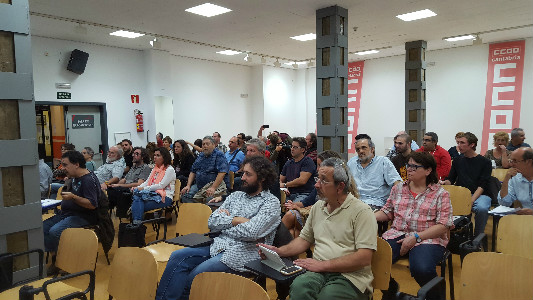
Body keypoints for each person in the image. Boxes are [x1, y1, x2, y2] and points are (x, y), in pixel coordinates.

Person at [155, 156, 281, 300]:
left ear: (262, 178)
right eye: (243, 173)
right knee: (177, 258)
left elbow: (252, 232)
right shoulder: (236, 196)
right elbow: (212, 221)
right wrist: (237, 220)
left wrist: (226, 223)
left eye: (248, 174)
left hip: (244, 253)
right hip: (219, 244)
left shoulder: (271, 203)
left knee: (197, 274)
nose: (242, 177)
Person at [259, 157, 377, 300]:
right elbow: (303, 240)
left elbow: (364, 258)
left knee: (327, 296)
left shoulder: (362, 212)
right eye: (317, 178)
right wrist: (278, 252)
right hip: (319, 272)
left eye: (323, 180)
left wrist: (323, 265)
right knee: (298, 288)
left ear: (340, 186)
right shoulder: (318, 207)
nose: (316, 185)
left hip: (351, 276)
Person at [375, 152, 453, 300]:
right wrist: (369, 217)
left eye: (414, 167)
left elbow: (444, 225)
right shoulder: (398, 189)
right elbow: (387, 212)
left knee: (421, 269)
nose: (409, 169)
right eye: (408, 165)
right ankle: (390, 289)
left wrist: (416, 237)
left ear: (428, 171)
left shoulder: (440, 194)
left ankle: (435, 297)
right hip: (398, 233)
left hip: (427, 237)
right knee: (373, 259)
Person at [43, 151, 100, 270]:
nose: (63, 168)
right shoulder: (74, 177)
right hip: (68, 214)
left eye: (65, 165)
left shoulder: (88, 180)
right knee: (43, 227)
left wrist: (73, 197)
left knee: (55, 231)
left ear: (76, 164)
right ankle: (56, 259)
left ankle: (65, 262)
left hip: (84, 216)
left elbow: (92, 204)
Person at [441, 132, 492, 236]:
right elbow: (451, 179)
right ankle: (453, 235)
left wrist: (471, 200)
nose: (458, 145)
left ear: (472, 145)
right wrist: (443, 182)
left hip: (480, 195)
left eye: (462, 143)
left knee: (482, 208)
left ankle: (478, 237)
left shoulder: (485, 162)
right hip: (462, 194)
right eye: (458, 142)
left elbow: (483, 184)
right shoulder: (457, 160)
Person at [282, 150, 341, 239]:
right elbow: (306, 202)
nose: (317, 169)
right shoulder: (319, 182)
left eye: (319, 165)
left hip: (325, 219)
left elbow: (324, 208)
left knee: (291, 215)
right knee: (293, 232)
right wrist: (291, 204)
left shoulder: (337, 185)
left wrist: (298, 208)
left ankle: (270, 243)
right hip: (312, 215)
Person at [347, 136, 401, 210]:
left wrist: (393, 205)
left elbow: (397, 183)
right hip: (354, 202)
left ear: (372, 149)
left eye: (364, 148)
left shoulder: (383, 162)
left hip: (375, 204)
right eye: (358, 149)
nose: (361, 151)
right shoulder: (351, 163)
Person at [130, 147, 175, 224]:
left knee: (137, 202)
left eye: (158, 155)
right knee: (137, 197)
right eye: (154, 155)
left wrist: (143, 189)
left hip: (165, 197)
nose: (155, 157)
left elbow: (161, 185)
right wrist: (138, 187)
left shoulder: (169, 170)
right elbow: (147, 182)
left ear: (164, 157)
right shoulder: (155, 168)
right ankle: (137, 225)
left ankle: (136, 224)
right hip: (152, 194)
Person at [181, 136, 229, 203]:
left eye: (207, 144)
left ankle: (204, 212)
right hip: (199, 186)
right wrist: (188, 185)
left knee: (209, 199)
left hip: (215, 186)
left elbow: (222, 172)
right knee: (185, 195)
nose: (205, 146)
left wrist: (213, 187)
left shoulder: (219, 155)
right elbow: (193, 171)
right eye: (203, 144)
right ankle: (196, 212)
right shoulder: (201, 155)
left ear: (213, 145)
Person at [497, 147, 533, 215]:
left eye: (515, 161)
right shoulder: (515, 178)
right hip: (524, 219)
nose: (511, 164)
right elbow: (504, 203)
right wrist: (506, 179)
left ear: (529, 162)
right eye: (511, 161)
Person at [280, 137, 316, 203]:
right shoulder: (288, 163)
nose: (292, 149)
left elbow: (302, 180)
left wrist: (285, 185)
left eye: (295, 147)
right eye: (291, 146)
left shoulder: (307, 162)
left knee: (291, 210)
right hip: (290, 194)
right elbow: (281, 180)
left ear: (302, 149)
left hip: (304, 194)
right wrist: (283, 189)